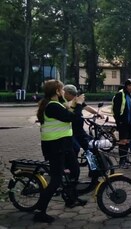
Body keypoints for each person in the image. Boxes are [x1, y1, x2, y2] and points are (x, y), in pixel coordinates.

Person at [35, 80, 86, 223]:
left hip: (64, 145)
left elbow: (67, 109)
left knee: (75, 170)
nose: (64, 91)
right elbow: (73, 118)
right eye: (62, 89)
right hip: (55, 147)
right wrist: (80, 103)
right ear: (57, 91)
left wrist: (75, 103)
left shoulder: (56, 105)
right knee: (56, 180)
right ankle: (40, 212)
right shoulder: (52, 107)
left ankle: (71, 198)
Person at [63, 84, 104, 155]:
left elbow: (86, 107)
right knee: (75, 148)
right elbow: (70, 114)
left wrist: (97, 113)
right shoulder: (64, 102)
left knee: (90, 144)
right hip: (70, 130)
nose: (74, 96)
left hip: (79, 129)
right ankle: (72, 163)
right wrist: (77, 104)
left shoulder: (76, 100)